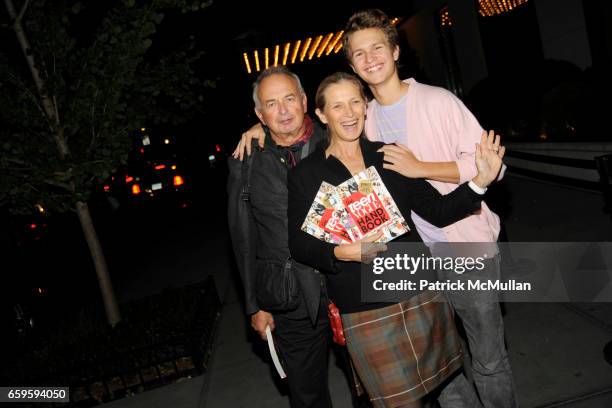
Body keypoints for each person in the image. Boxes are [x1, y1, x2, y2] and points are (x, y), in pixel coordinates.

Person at [288, 72, 505, 408]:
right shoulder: (307, 174)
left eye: (355, 102)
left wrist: (479, 182)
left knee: (452, 388)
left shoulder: (388, 155)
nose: (349, 113)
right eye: (337, 105)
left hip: (421, 293)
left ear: (365, 106)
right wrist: (343, 251)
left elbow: (438, 209)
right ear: (321, 114)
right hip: (364, 308)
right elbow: (300, 245)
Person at [342, 9, 517, 408]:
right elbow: (320, 126)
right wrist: (259, 129)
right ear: (352, 65)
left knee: (488, 361)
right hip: (415, 262)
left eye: (377, 48)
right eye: (359, 54)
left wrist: (421, 168)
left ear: (396, 50)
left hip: (465, 250)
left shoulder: (438, 101)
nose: (370, 58)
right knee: (440, 369)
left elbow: (489, 166)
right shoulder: (362, 118)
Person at [226, 66, 332, 408]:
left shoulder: (336, 140)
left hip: (347, 279)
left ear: (304, 101)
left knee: (369, 379)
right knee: (306, 393)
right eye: (272, 104)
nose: (283, 110)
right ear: (260, 114)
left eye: (289, 98)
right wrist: (254, 305)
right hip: (289, 293)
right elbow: (243, 236)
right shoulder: (245, 160)